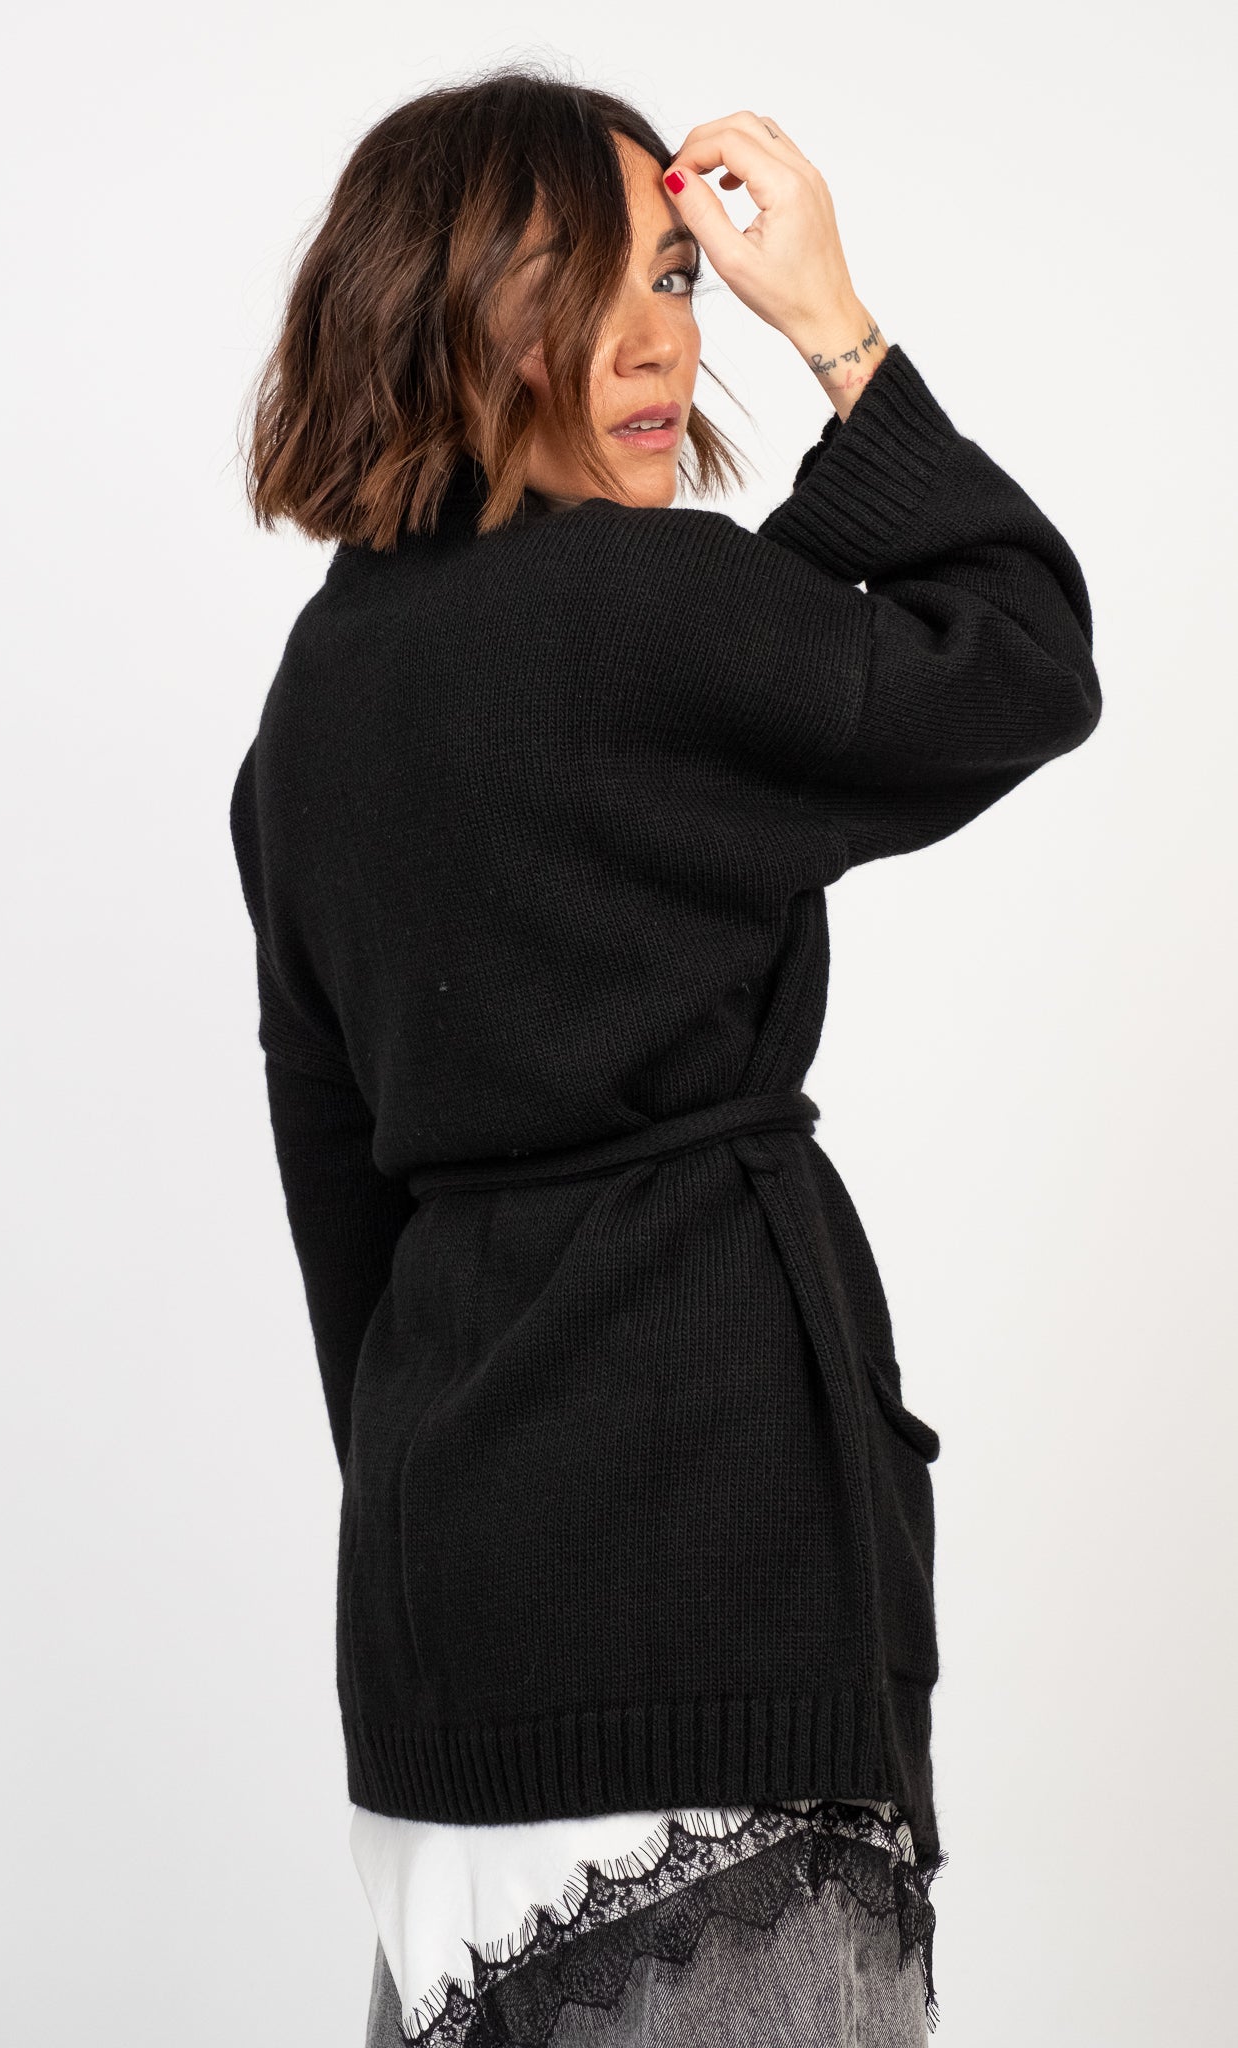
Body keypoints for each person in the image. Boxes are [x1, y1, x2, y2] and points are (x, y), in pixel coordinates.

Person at [229, 65, 1101, 2047]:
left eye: (680, 277)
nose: (655, 339)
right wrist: (835, 329)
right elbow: (1018, 651)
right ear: (444, 312)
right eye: (582, 283)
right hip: (705, 1624)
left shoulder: (312, 708)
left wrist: (463, 1528)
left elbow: (338, 1213)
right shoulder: (645, 611)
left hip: (446, 1657)